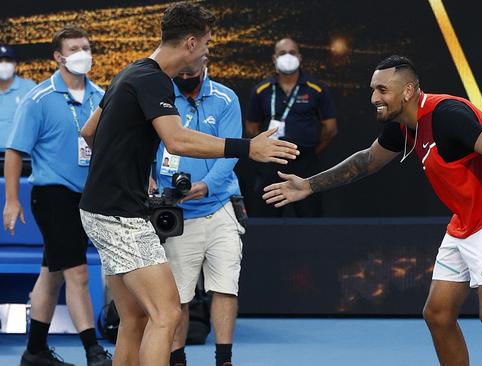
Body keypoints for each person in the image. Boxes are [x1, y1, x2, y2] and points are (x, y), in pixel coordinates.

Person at [262, 55, 482, 366]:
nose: (374, 98)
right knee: (438, 314)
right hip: (467, 219)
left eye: (382, 89)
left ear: (408, 90)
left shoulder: (447, 116)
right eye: (372, 90)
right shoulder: (403, 126)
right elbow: (366, 161)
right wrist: (308, 185)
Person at [77, 3, 298, 366]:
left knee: (135, 318)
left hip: (101, 209)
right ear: (191, 44)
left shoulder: (130, 72)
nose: (208, 51)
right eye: (207, 44)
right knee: (166, 315)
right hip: (120, 216)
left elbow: (89, 131)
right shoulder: (153, 81)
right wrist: (249, 148)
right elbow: (176, 140)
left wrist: (127, 169)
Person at [3, 27, 111, 366]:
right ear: (58, 56)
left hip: (88, 196)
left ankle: (34, 350)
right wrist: (12, 200)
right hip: (52, 195)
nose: (83, 53)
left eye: (87, 47)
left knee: (51, 272)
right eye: (75, 48)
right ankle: (93, 350)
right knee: (76, 272)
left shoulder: (101, 96)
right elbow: (15, 152)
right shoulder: (39, 98)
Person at [154, 60, 244, 366]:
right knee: (179, 295)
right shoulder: (161, 100)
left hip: (220, 207)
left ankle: (224, 360)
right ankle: (178, 360)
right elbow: (146, 148)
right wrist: (151, 183)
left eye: (193, 69)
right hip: (176, 213)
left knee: (225, 286)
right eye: (182, 70)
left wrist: (206, 186)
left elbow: (232, 151)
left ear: (205, 62)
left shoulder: (226, 98)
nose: (187, 75)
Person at [245, 37, 336, 217]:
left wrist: (311, 152)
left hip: (305, 165)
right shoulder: (261, 90)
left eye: (292, 53)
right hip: (271, 164)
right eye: (282, 53)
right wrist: (267, 150)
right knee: (266, 219)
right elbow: (251, 128)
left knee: (311, 219)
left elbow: (330, 129)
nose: (287, 57)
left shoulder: (317, 89)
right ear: (274, 58)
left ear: (300, 58)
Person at [0, 45, 36, 161]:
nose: (4, 64)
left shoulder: (29, 88)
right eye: (0, 61)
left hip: (22, 157)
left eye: (8, 61)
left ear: (15, 64)